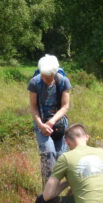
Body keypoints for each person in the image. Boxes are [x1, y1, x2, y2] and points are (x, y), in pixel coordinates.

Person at [35, 123, 103, 203]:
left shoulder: (66, 158)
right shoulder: (102, 152)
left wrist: (67, 183)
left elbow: (47, 196)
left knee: (41, 200)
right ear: (86, 137)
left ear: (67, 142)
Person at [28, 54, 71, 187]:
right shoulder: (35, 82)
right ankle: (47, 194)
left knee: (60, 156)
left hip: (59, 123)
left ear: (55, 73)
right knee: (48, 153)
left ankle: (60, 188)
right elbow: (33, 107)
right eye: (43, 76)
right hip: (41, 123)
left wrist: (52, 121)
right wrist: (40, 125)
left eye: (48, 77)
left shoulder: (63, 81)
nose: (45, 79)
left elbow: (65, 106)